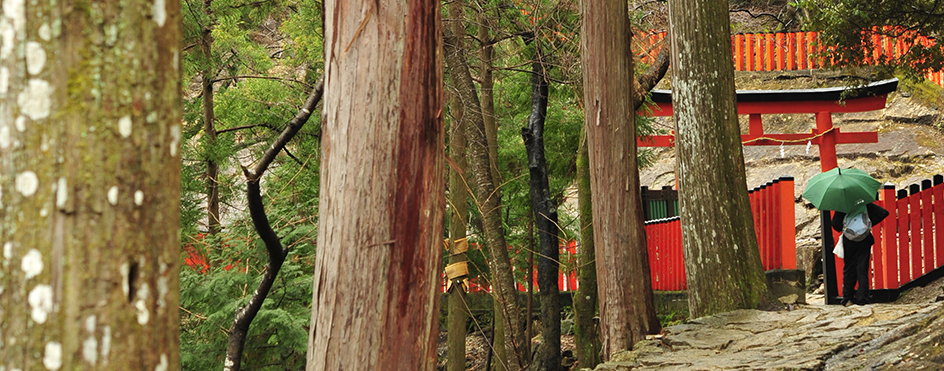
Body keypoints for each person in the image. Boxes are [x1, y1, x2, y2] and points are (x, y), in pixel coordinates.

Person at [831, 202, 889, 306]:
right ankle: (863, 298)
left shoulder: (843, 205)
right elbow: (883, 212)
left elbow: (835, 224)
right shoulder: (865, 203)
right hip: (864, 238)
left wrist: (844, 226)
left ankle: (847, 298)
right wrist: (868, 224)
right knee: (862, 269)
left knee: (849, 268)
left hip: (849, 240)